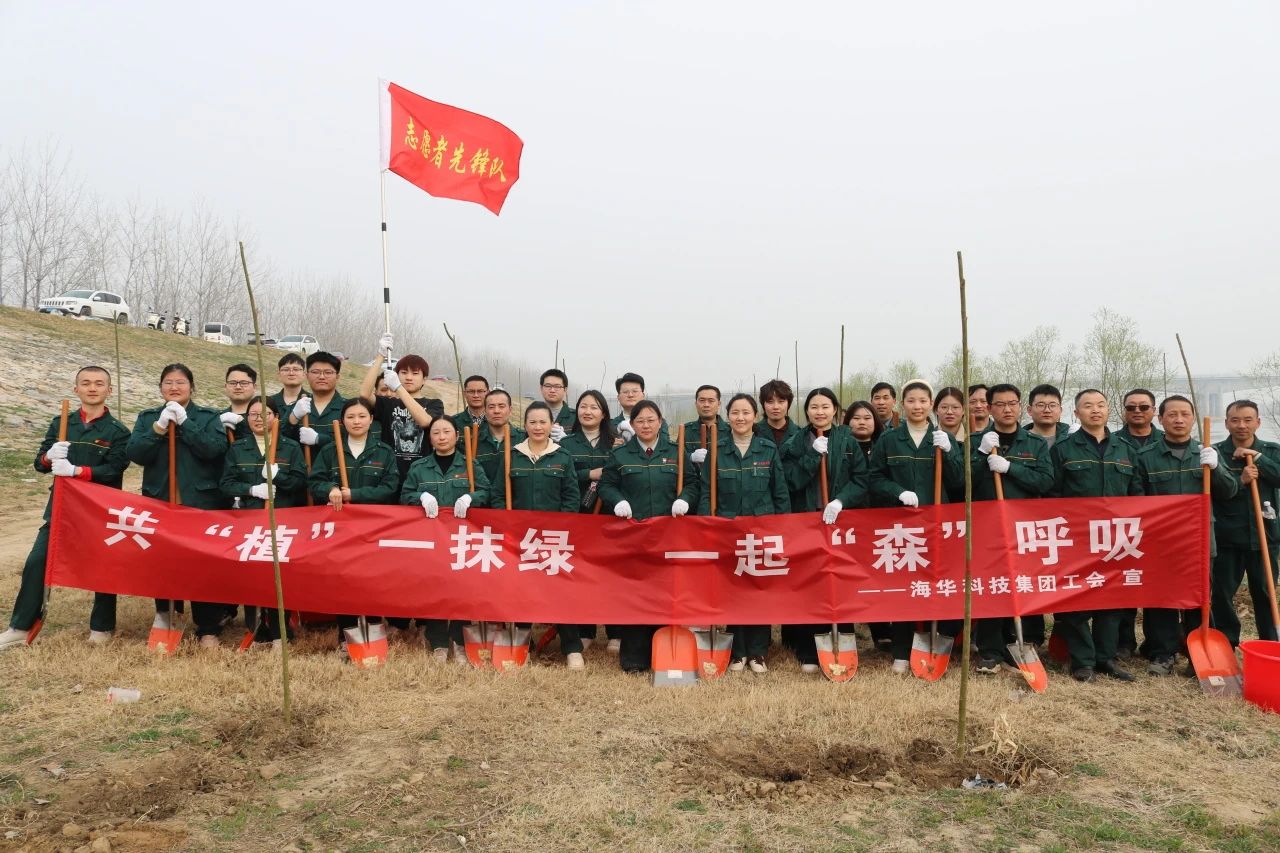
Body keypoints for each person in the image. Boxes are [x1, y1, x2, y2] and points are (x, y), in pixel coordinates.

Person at [0, 367, 131, 650]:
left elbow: (115, 468)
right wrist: (49, 457)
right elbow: (39, 464)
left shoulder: (118, 431)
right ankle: (19, 627)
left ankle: (102, 627)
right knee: (37, 562)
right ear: (76, 389)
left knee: (102, 566)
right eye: (86, 383)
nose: (92, 388)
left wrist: (77, 471)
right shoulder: (61, 423)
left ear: (109, 390)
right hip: (61, 506)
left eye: (99, 384)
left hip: (100, 509)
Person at [126, 363, 231, 648]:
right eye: (168, 382)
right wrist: (159, 428)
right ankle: (167, 616)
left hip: (199, 503)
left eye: (181, 382)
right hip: (160, 501)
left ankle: (208, 627)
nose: (174, 387)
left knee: (202, 565)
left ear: (191, 387)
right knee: (163, 561)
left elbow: (214, 449)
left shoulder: (208, 417)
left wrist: (186, 423)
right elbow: (136, 453)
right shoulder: (148, 417)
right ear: (160, 388)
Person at [1135, 395, 1236, 675]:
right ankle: (1163, 653)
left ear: (1193, 418)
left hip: (1199, 540)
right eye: (1172, 415)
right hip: (1161, 541)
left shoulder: (1206, 452)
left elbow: (1229, 491)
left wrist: (1216, 468)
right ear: (1160, 419)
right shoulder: (1146, 457)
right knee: (1162, 598)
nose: (1179, 420)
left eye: (1185, 414)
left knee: (1199, 596)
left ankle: (1197, 652)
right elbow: (1136, 499)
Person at [868, 380, 964, 674]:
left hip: (937, 524)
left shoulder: (942, 438)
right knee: (905, 587)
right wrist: (898, 491)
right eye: (911, 400)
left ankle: (939, 641)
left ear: (931, 404)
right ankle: (901, 649)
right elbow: (875, 477)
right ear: (902, 404)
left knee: (938, 583)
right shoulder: (890, 439)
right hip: (903, 525)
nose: (917, 406)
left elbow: (959, 482)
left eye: (923, 401)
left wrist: (950, 452)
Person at [1049, 389, 1144, 682]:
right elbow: (1052, 494)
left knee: (1111, 600)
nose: (1095, 410)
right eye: (1088, 406)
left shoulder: (1125, 449)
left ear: (1108, 410)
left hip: (1116, 538)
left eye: (1101, 405)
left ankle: (1105, 658)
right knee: (1075, 601)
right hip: (1077, 538)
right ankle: (1083, 661)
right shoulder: (1064, 449)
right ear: (1076, 413)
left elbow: (1137, 493)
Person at [599, 400, 695, 673]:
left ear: (660, 422)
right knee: (636, 593)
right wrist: (617, 500)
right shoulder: (621, 455)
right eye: (640, 421)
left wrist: (685, 499)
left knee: (666, 592)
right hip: (634, 535)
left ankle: (664, 650)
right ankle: (634, 656)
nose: (646, 425)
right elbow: (606, 485)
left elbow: (692, 483)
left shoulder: (675, 452)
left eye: (651, 420)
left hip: (669, 535)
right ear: (632, 424)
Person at [780, 387, 870, 673]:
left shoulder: (847, 440)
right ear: (806, 411)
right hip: (807, 522)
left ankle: (842, 640)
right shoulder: (795, 442)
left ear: (835, 410)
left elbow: (861, 479)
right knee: (810, 584)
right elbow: (789, 481)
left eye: (825, 406)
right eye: (814, 407)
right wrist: (810, 457)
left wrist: (841, 501)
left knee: (839, 582)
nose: (819, 412)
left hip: (839, 522)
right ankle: (808, 649)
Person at [968, 383, 1054, 674]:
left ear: (1020, 407)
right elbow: (961, 482)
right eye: (1000, 404)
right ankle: (990, 651)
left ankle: (1020, 642)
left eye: (1012, 403)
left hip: (1023, 527)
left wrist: (1010, 468)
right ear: (989, 407)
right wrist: (980, 456)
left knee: (1022, 584)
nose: (1007, 409)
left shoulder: (1035, 443)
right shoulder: (975, 441)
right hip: (986, 526)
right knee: (993, 586)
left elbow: (1045, 481)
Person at [492, 403, 585, 668]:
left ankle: (572, 648)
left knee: (559, 591)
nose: (538, 427)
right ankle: (523, 644)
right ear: (525, 425)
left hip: (554, 538)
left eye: (543, 422)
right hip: (519, 538)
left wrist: (561, 527)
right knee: (521, 589)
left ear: (551, 424)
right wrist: (507, 524)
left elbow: (571, 497)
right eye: (532, 422)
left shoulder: (562, 456)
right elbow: (498, 495)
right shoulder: (512, 455)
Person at [703, 393, 790, 673]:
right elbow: (706, 492)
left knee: (759, 590)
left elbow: (780, 492)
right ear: (727, 416)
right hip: (727, 531)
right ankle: (737, 652)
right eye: (735, 413)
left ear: (755, 416)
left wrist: (783, 528)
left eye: (746, 412)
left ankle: (758, 651)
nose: (740, 418)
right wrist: (707, 526)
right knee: (733, 591)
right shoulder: (717, 449)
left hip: (761, 531)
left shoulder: (767, 449)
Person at [309, 398, 400, 651]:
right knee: (344, 579)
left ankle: (374, 629)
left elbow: (391, 487)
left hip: (373, 527)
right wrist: (330, 488)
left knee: (372, 579)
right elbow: (314, 481)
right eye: (350, 417)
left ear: (371, 420)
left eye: (362, 416)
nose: (356, 421)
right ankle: (345, 635)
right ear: (342, 421)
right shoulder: (330, 451)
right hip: (341, 528)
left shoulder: (384, 452)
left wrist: (356, 494)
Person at [400, 417, 491, 661]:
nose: (441, 437)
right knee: (435, 587)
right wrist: (421, 496)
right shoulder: (419, 467)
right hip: (432, 537)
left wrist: (472, 498)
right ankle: (438, 641)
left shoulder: (470, 464)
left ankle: (459, 640)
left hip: (462, 538)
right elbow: (405, 494)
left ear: (456, 436)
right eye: (436, 433)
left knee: (463, 587)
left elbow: (487, 492)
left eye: (446, 432)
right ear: (429, 438)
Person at [219, 397, 308, 644]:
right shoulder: (238, 448)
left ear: (276, 417)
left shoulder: (289, 447)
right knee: (253, 575)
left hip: (282, 520)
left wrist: (279, 478)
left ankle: (281, 632)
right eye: (253, 414)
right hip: (250, 521)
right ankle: (256, 629)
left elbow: (302, 483)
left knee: (280, 576)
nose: (258, 419)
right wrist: (251, 490)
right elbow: (225, 484)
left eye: (265, 414)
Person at [1210, 400, 1280, 647]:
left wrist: (1258, 458)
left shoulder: (1271, 451)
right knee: (1222, 594)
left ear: (1257, 422)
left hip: (1265, 537)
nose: (1242, 425)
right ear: (1226, 423)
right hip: (1227, 538)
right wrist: (1241, 480)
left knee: (1265, 592)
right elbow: (1214, 491)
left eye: (1248, 420)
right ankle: (1226, 644)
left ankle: (1270, 644)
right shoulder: (1216, 453)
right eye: (1235, 420)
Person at [558, 390, 621, 652]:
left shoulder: (615, 442)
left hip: (609, 514)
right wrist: (589, 474)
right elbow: (562, 473)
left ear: (604, 413)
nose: (588, 411)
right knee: (581, 573)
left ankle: (615, 632)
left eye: (594, 407)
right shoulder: (567, 443)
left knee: (611, 574)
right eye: (583, 406)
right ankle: (585, 630)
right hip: (579, 514)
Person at [1112, 388, 1164, 655]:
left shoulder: (1166, 441)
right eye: (1131, 407)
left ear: (1153, 411)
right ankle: (1124, 642)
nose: (1137, 412)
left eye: (1144, 407)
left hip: (1161, 528)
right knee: (1124, 584)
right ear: (1124, 411)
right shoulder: (1113, 442)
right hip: (1123, 528)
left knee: (1156, 585)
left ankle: (1155, 644)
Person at [359, 336, 444, 481]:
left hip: (421, 476)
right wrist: (380, 356)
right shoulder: (388, 404)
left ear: (424, 379)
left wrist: (398, 387)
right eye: (404, 373)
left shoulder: (434, 403)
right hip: (389, 475)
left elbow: (425, 421)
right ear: (397, 375)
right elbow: (364, 394)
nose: (409, 377)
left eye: (415, 373)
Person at [844, 398, 889, 653]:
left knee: (878, 577)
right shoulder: (841, 447)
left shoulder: (884, 445)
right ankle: (848, 630)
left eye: (867, 418)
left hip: (880, 520)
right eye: (856, 418)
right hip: (850, 520)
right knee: (850, 577)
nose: (862, 422)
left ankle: (882, 631)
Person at [286, 351, 346, 455]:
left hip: (336, 465)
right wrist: (293, 418)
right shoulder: (297, 406)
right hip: (301, 465)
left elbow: (355, 443)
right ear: (307, 375)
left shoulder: (348, 409)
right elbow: (280, 440)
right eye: (315, 372)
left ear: (337, 376)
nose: (321, 376)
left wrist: (319, 439)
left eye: (328, 372)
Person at [472, 389, 526, 483]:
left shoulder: (524, 439)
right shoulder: (474, 442)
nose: (496, 411)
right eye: (491, 407)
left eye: (501, 406)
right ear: (485, 411)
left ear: (510, 410)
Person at [755, 379, 802, 449]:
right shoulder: (753, 432)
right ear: (763, 404)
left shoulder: (799, 434)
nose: (775, 407)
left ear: (788, 404)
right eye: (770, 402)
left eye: (781, 401)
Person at [219, 363, 258, 442]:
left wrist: (241, 423)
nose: (238, 387)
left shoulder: (265, 417)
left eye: (244, 383)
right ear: (225, 386)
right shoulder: (218, 418)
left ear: (254, 387)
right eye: (232, 383)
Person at [1026, 384, 1072, 449]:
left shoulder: (1072, 438)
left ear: (1060, 410)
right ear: (1029, 410)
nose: (1047, 410)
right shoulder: (1017, 441)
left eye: (1052, 405)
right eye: (1041, 405)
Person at [539, 369, 576, 435]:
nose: (552, 390)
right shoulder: (533, 414)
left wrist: (566, 439)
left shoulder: (575, 417)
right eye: (548, 386)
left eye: (557, 386)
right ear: (541, 388)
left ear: (565, 390)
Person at [611, 372, 647, 438]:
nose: (630, 395)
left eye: (635, 391)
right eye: (625, 392)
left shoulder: (656, 421)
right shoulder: (611, 425)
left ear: (643, 395)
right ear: (618, 397)